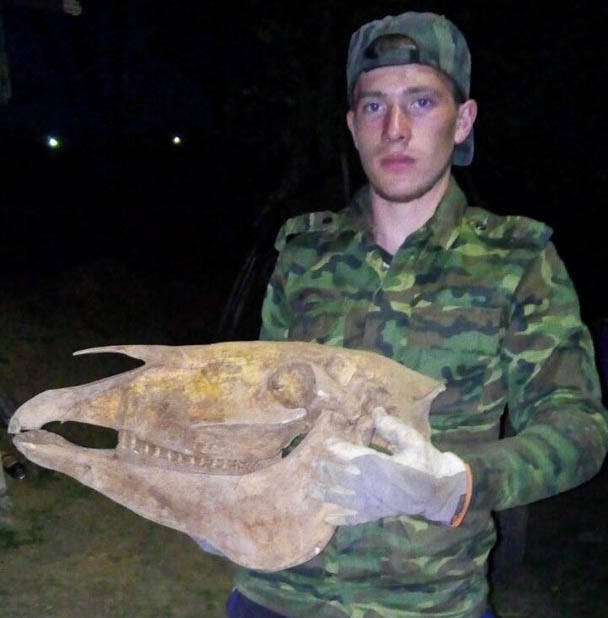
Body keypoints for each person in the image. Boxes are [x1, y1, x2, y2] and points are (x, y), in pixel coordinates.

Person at [219, 11, 608, 618]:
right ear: (353, 126)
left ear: (463, 120)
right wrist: (218, 495)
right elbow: (263, 415)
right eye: (374, 106)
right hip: (276, 594)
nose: (395, 129)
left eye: (421, 102)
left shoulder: (517, 262)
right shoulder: (304, 255)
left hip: (428, 603)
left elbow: (578, 431)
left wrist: (457, 482)